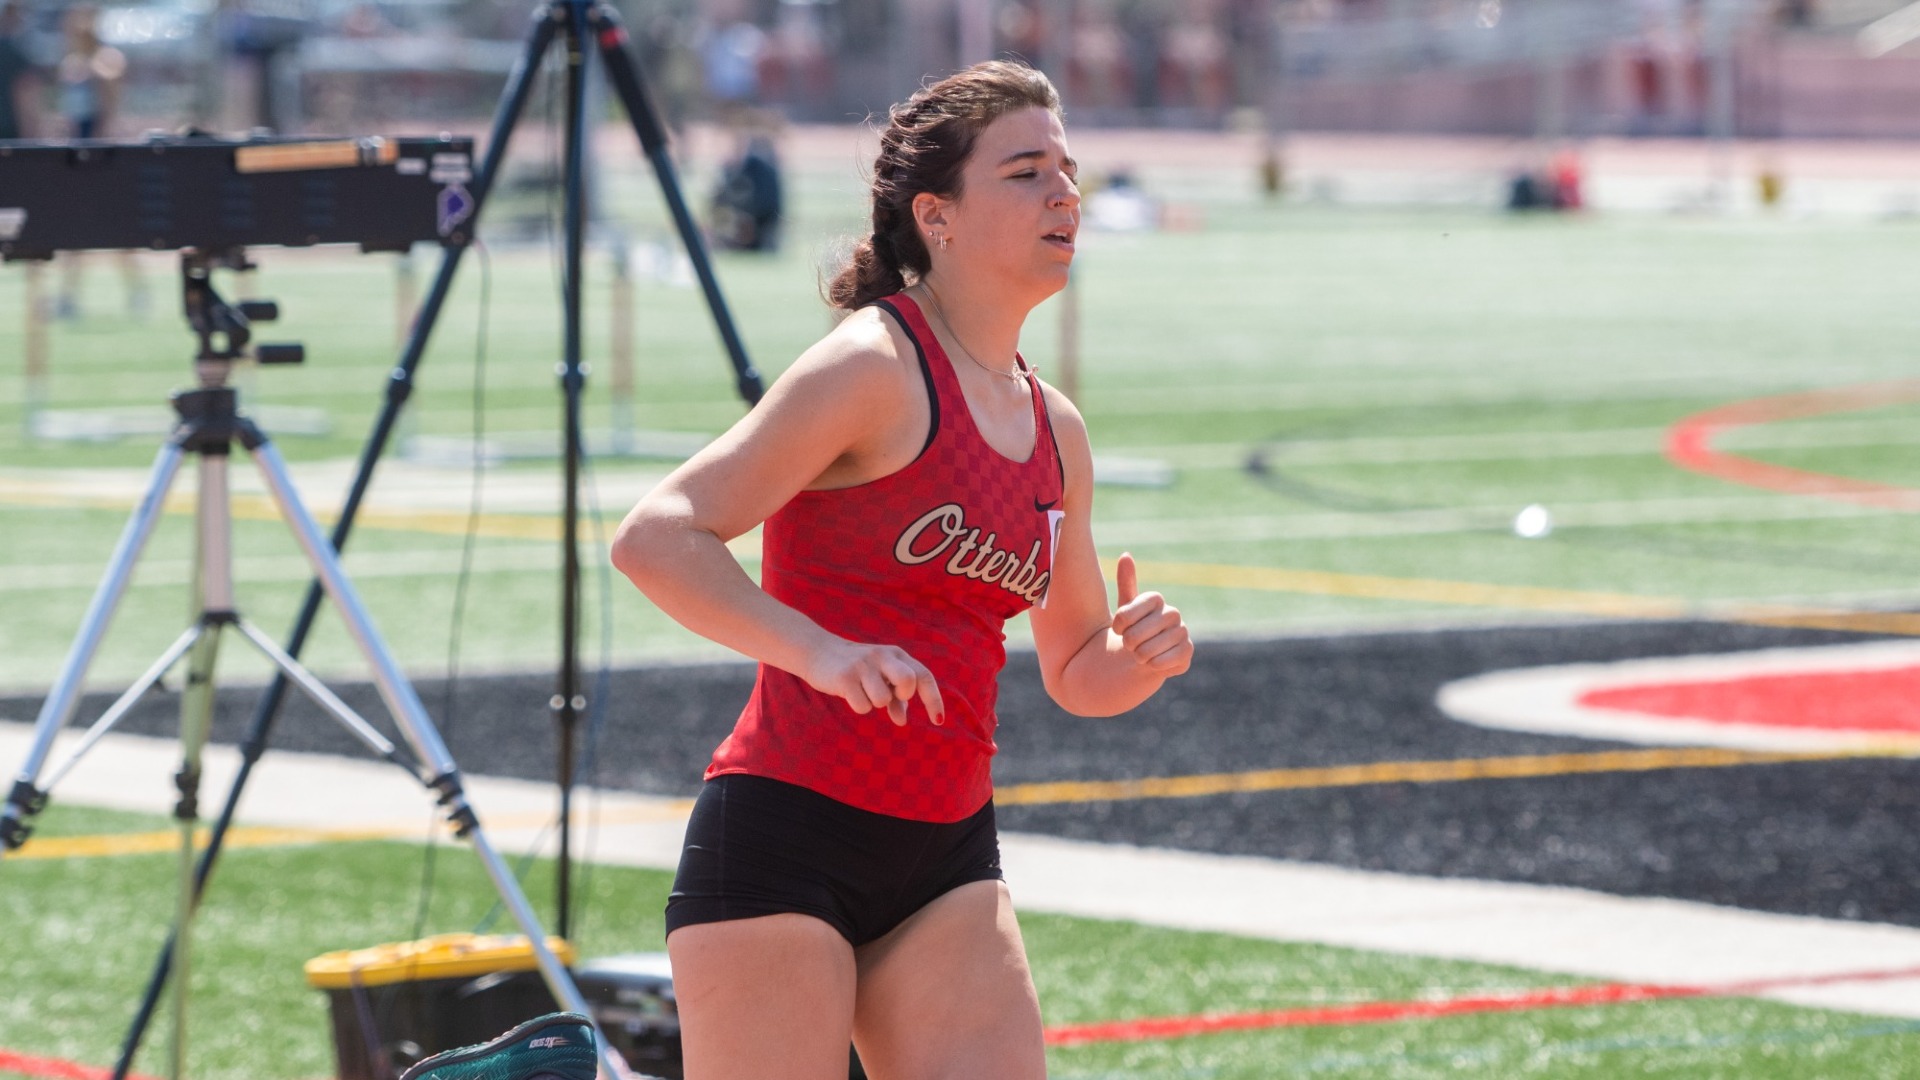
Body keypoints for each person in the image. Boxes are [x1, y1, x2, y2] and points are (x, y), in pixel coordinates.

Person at [611, 60, 1192, 1079]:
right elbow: (656, 535)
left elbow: (1075, 669)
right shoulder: (872, 367)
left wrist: (1137, 658)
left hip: (948, 857)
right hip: (785, 836)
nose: (1065, 193)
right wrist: (821, 653)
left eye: (1067, 168)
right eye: (1024, 172)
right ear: (939, 214)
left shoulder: (1056, 426)